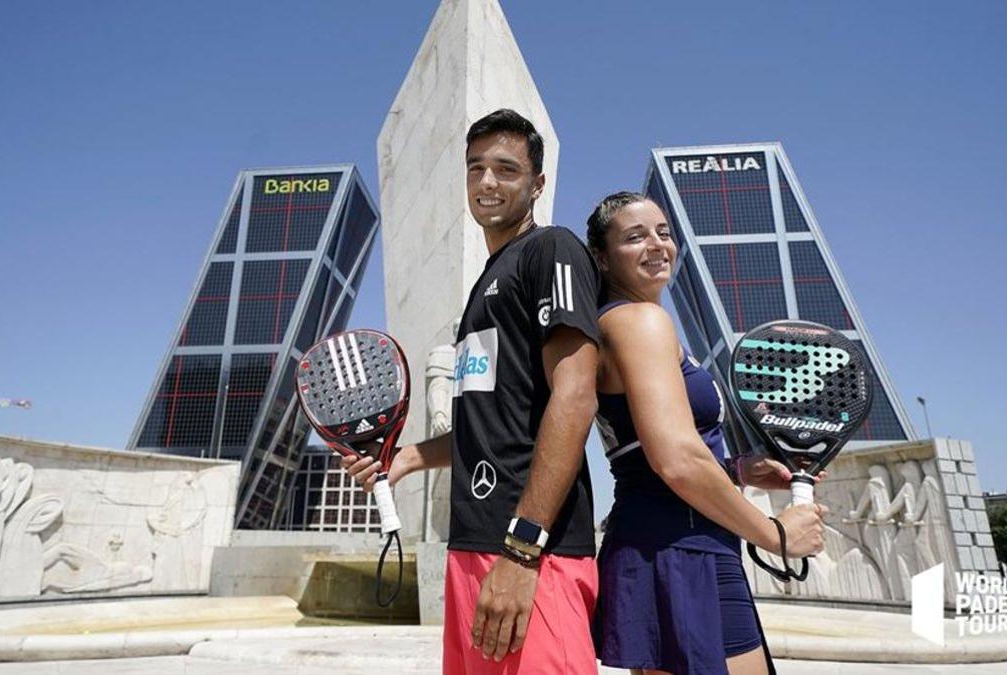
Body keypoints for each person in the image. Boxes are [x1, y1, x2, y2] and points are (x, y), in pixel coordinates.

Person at [344, 109, 602, 674]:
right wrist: (409, 458)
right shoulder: (484, 284)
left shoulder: (551, 249)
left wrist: (522, 549)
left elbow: (576, 395)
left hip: (532, 552)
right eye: (475, 168)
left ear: (537, 184)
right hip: (472, 547)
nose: (487, 182)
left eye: (506, 170)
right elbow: (493, 419)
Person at [585, 191, 827, 675]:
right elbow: (674, 460)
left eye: (664, 232)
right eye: (635, 236)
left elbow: (645, 449)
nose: (657, 244)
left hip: (663, 543)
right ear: (602, 257)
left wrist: (737, 469)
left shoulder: (622, 324)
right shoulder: (639, 320)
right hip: (682, 547)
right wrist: (775, 535)